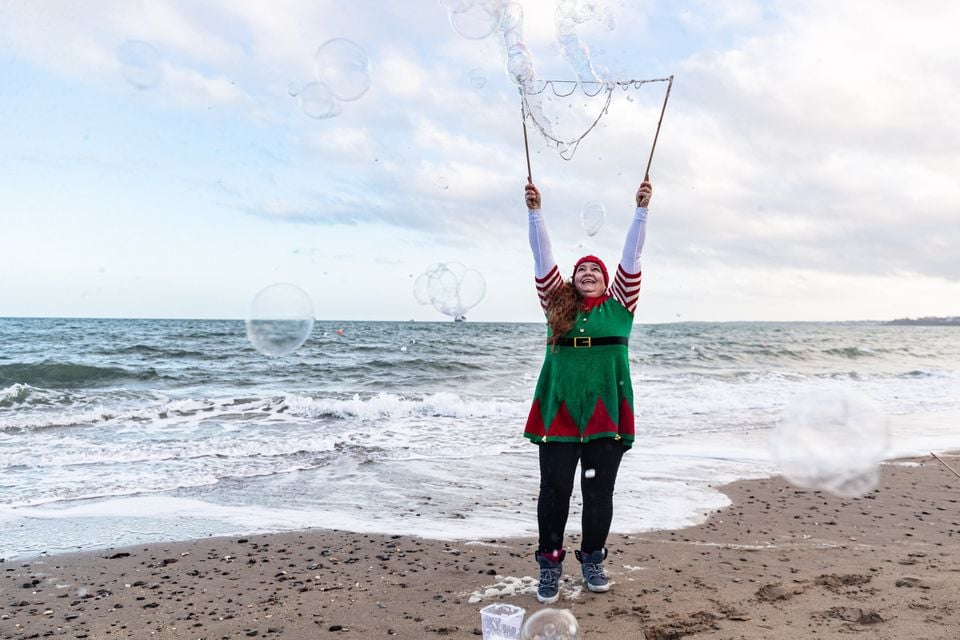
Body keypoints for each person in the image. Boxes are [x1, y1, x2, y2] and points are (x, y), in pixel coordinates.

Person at [523, 178, 652, 604]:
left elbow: (631, 255)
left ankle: (593, 557)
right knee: (555, 491)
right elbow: (543, 257)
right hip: (559, 411)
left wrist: (641, 210)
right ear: (572, 280)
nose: (589, 273)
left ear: (607, 280)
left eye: (596, 270)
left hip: (604, 413)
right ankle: (550, 563)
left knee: (599, 492)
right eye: (582, 270)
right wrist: (535, 211)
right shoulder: (555, 303)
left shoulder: (622, 305)